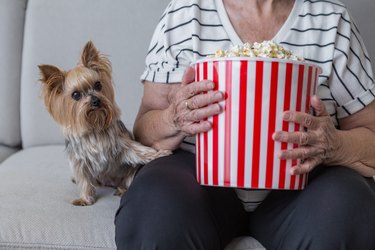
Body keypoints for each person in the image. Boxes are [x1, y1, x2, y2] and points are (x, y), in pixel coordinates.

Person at [115, 0, 375, 249]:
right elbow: (144, 131)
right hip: (196, 181)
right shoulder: (183, 16)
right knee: (154, 210)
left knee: (347, 210)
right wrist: (173, 118)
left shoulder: (330, 20)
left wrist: (335, 144)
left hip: (306, 185)